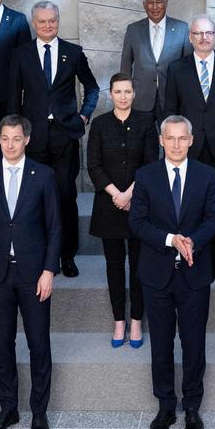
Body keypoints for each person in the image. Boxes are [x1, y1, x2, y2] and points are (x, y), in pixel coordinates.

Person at [130, 116, 215, 429]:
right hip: (156, 275)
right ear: (161, 141)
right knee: (161, 345)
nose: (177, 144)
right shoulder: (145, 176)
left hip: (195, 274)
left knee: (194, 344)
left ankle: (192, 408)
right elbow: (138, 222)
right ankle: (166, 407)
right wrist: (172, 240)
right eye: (171, 138)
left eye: (183, 138)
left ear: (191, 140)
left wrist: (192, 240)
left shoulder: (207, 175)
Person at [0, 115, 61, 429]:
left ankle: (39, 412)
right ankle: (8, 408)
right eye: (5, 138)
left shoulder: (44, 175)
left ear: (27, 140)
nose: (10, 144)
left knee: (38, 344)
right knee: (2, 345)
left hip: (34, 274)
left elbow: (54, 227)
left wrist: (49, 270)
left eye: (16, 138)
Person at [6, 0, 99, 278]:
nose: (48, 26)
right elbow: (13, 98)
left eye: (52, 21)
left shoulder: (73, 52)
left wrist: (83, 116)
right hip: (32, 140)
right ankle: (40, 255)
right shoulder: (21, 54)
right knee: (33, 199)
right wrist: (14, 136)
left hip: (64, 137)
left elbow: (92, 88)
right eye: (42, 21)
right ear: (34, 23)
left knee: (65, 196)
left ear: (58, 21)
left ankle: (67, 255)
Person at [163, 15, 215, 283]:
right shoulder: (177, 69)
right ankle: (190, 255)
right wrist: (173, 145)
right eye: (198, 33)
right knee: (187, 205)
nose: (204, 38)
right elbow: (170, 112)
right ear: (191, 37)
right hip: (186, 150)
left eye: (208, 33)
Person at [86, 73, 158, 349]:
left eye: (128, 91)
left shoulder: (146, 123)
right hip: (109, 205)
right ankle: (119, 320)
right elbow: (93, 165)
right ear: (111, 94)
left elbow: (151, 163)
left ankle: (137, 319)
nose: (124, 97)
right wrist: (116, 193)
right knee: (114, 265)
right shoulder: (101, 124)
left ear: (134, 94)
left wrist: (130, 194)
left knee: (139, 264)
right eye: (118, 92)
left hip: (139, 204)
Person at [120, 0, 191, 115]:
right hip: (141, 99)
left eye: (159, 2)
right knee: (140, 135)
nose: (155, 7)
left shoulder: (182, 28)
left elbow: (188, 67)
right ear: (144, 5)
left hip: (172, 98)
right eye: (150, 3)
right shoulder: (133, 30)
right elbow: (125, 66)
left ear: (166, 3)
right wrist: (125, 94)